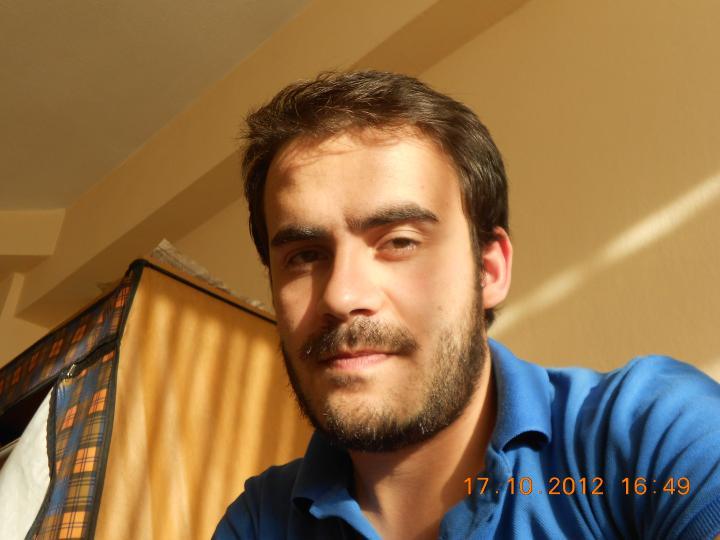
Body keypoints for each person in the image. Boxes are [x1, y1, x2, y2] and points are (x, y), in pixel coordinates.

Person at [213, 71, 720, 539]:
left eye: (400, 241)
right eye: (304, 256)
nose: (341, 296)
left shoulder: (652, 432)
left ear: (489, 270)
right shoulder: (259, 521)